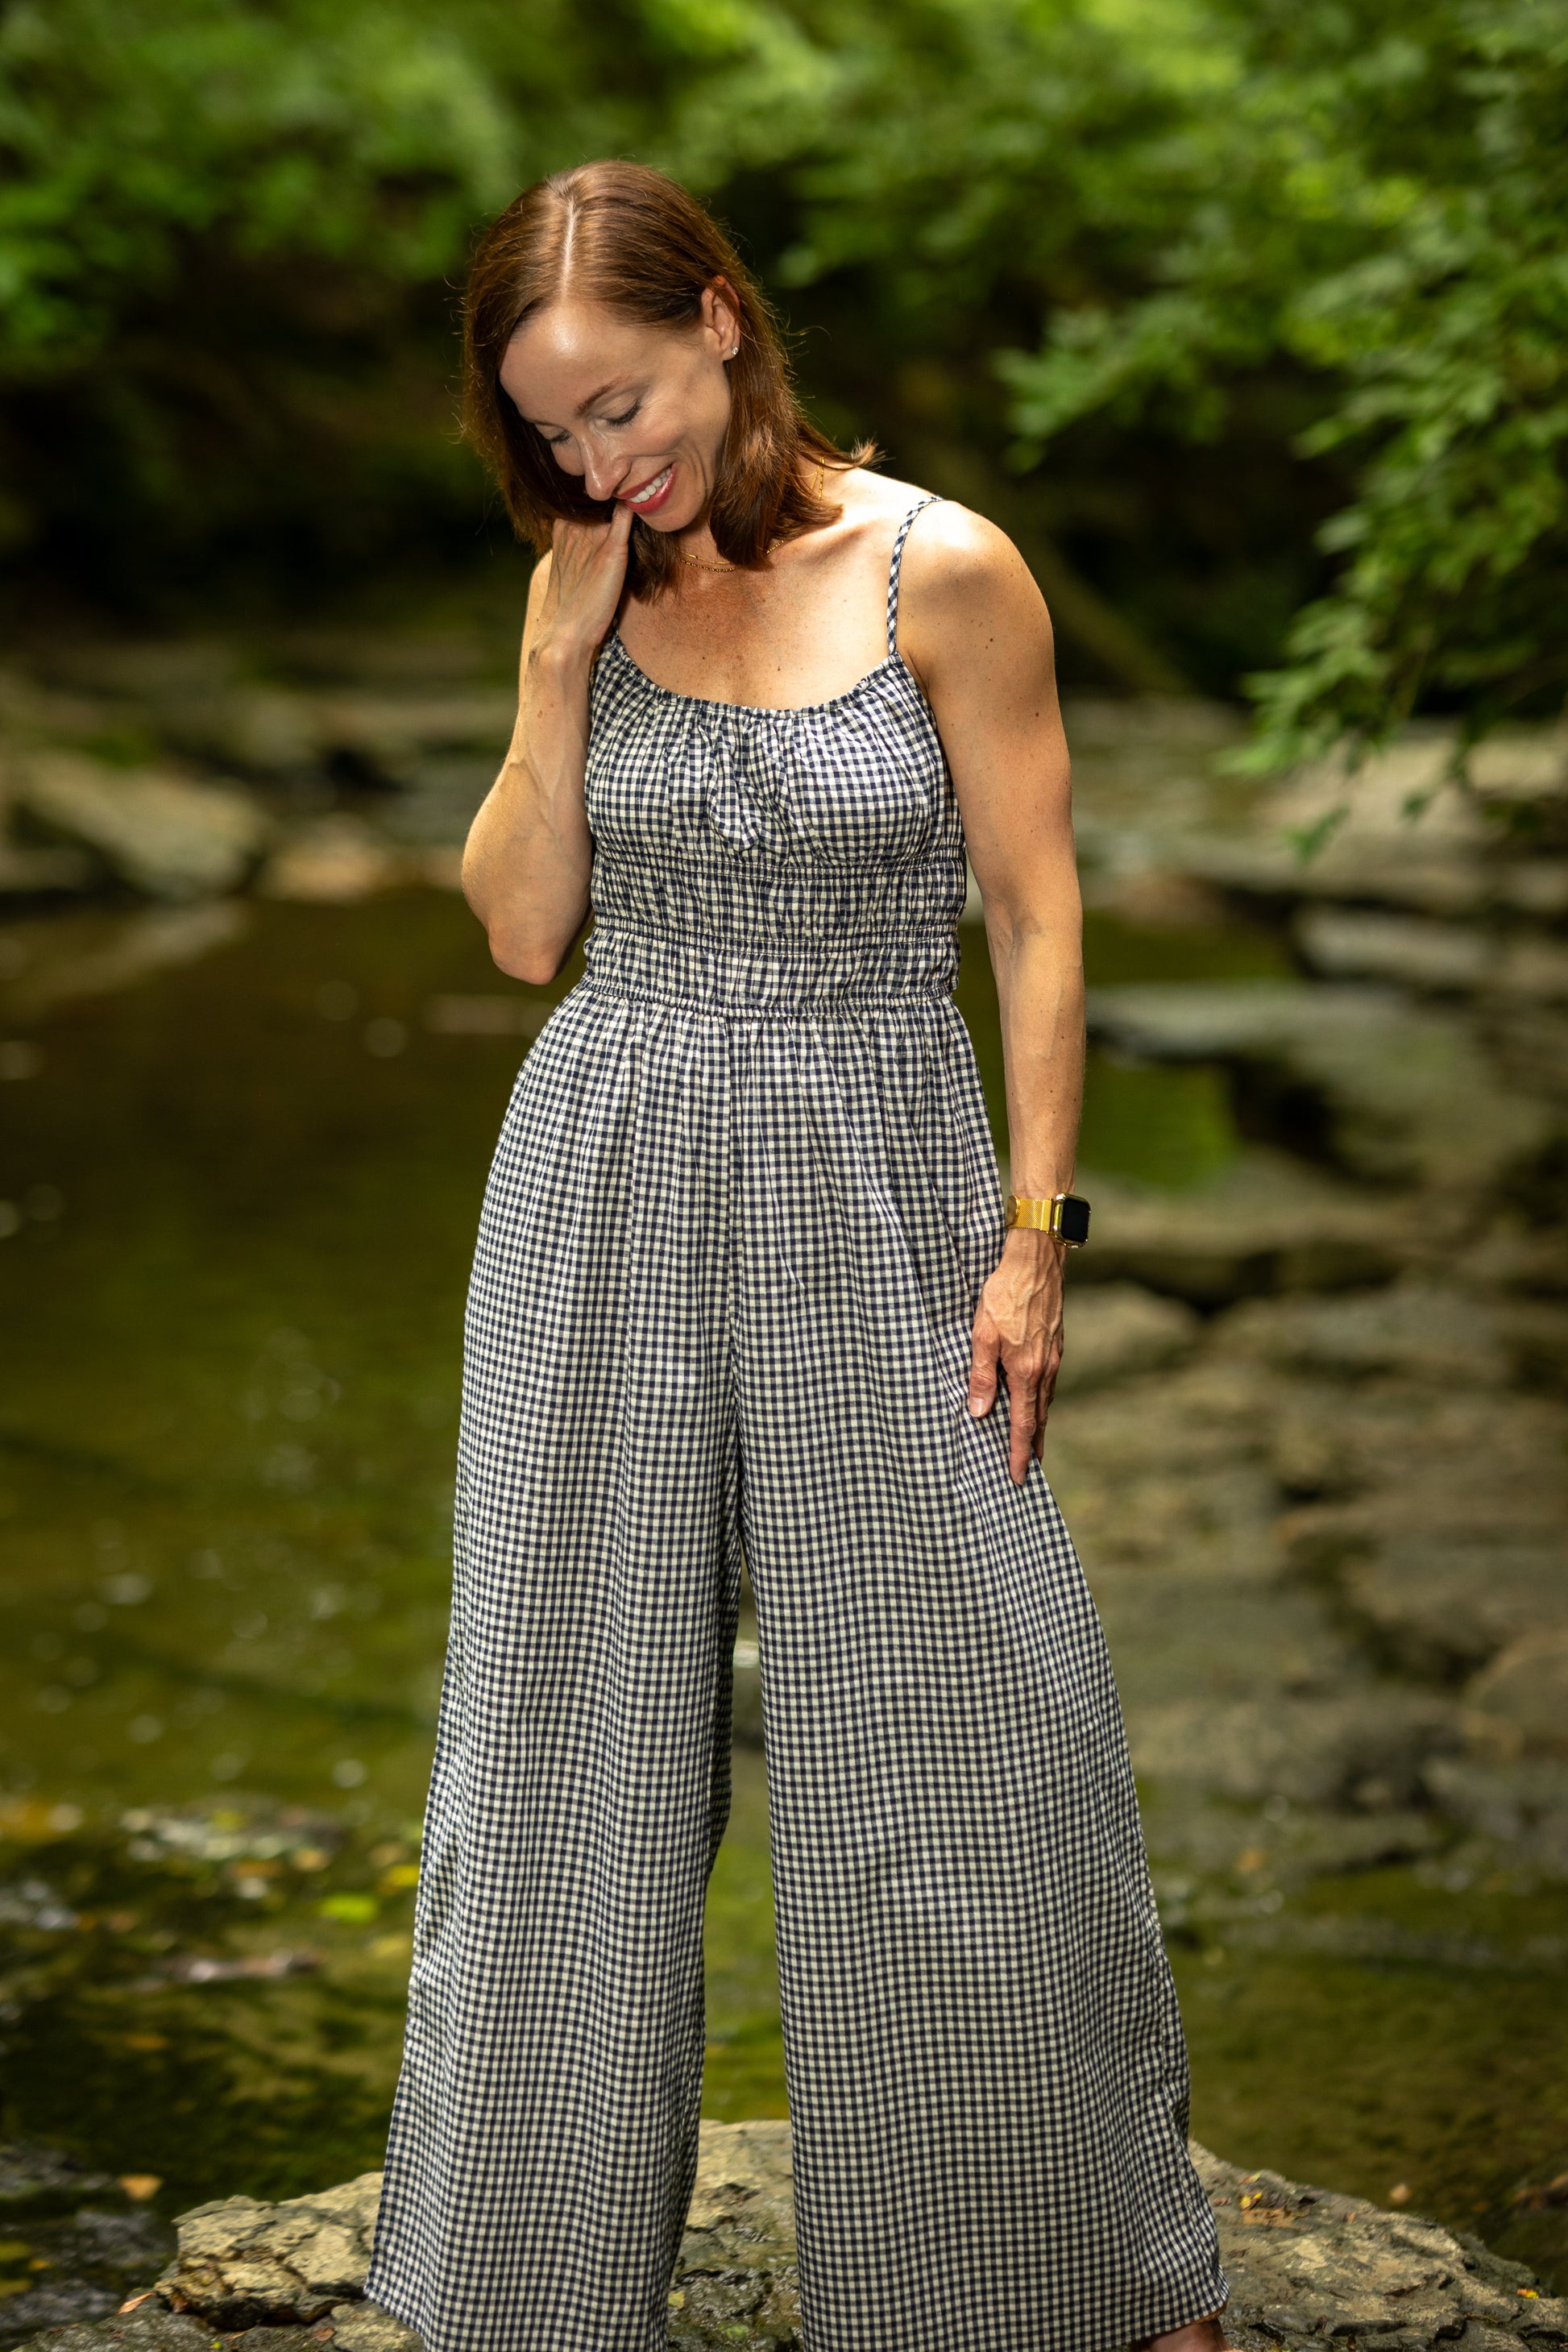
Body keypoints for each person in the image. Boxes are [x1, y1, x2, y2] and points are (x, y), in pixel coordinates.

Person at [364, 159, 1231, 2352]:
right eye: (551, 429)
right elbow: (522, 930)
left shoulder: (946, 570)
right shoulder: (582, 580)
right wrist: (553, 669)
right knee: (567, 1727)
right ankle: (517, 2293)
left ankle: (1030, 2281)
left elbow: (1035, 922)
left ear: (722, 323)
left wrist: (1036, 1238)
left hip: (880, 1156)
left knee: (965, 1714)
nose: (596, 460)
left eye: (623, 402)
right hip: (609, 1158)